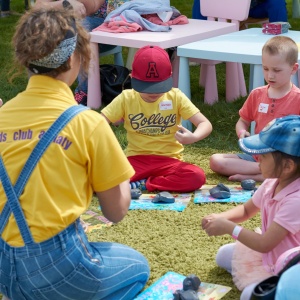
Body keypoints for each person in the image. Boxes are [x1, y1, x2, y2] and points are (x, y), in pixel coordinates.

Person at [0, 7, 149, 300]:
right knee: (137, 266)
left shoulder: (3, 114)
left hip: (6, 271)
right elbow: (115, 211)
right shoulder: (86, 122)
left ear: (26, 60)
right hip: (58, 267)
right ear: (73, 58)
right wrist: (120, 180)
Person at [202, 115, 300, 300]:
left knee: (249, 295)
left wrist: (228, 227)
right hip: (269, 254)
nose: (257, 160)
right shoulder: (273, 182)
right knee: (223, 255)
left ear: (287, 166)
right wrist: (220, 217)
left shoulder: (296, 200)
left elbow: (264, 244)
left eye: (263, 156)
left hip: (289, 266)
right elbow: (247, 210)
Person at [101, 45, 212, 193]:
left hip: (170, 161)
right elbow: (99, 122)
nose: (153, 93)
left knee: (196, 176)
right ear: (132, 77)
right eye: (147, 87)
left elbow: (205, 123)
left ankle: (145, 184)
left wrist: (194, 137)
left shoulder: (176, 96)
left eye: (159, 87)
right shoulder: (126, 98)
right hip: (136, 160)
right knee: (100, 179)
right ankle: (145, 183)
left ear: (169, 76)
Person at [209, 35, 300, 182]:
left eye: (277, 70)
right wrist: (242, 132)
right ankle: (266, 173)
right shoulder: (257, 94)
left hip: (285, 160)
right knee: (216, 160)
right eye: (265, 68)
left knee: (293, 167)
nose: (270, 75)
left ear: (293, 69)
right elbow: (242, 121)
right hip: (256, 156)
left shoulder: (298, 98)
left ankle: (265, 174)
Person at [192, 0, 287, 23]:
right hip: (230, 6)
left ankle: (281, 45)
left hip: (257, 7)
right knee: (201, 1)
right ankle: (197, 44)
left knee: (277, 1)